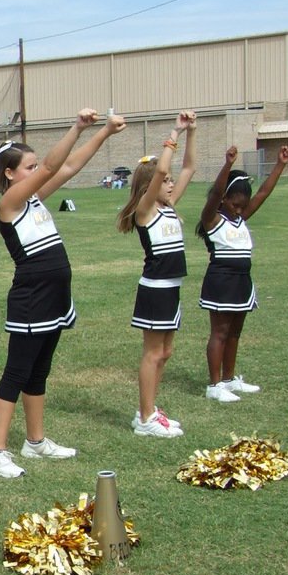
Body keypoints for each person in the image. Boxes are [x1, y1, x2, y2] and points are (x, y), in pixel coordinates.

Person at [0, 109, 126, 479]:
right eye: (27, 167)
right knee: (16, 372)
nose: (35, 170)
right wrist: (75, 126)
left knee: (39, 371)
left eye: (33, 167)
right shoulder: (8, 205)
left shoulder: (34, 199)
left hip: (55, 294)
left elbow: (69, 166)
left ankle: (35, 440)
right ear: (10, 174)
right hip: (31, 295)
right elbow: (50, 166)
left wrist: (104, 133)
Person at [116, 112, 197, 436]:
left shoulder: (168, 205)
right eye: (165, 181)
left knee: (166, 351)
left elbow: (188, 168)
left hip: (172, 287)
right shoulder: (145, 210)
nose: (171, 182)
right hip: (156, 290)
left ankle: (149, 410)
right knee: (153, 353)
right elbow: (162, 167)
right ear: (150, 186)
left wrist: (192, 132)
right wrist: (174, 131)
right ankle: (146, 418)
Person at [196, 143, 288, 402]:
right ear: (224, 200)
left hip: (242, 281)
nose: (240, 210)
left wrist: (280, 165)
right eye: (235, 204)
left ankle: (229, 379)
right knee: (220, 332)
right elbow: (215, 193)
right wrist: (227, 165)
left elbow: (262, 193)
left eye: (243, 206)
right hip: (221, 281)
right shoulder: (212, 218)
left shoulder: (239, 218)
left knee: (236, 332)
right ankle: (214, 385)